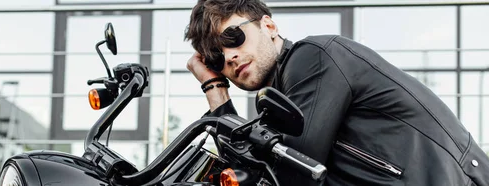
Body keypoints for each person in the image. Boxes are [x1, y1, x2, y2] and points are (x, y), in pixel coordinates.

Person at [184, 0, 489, 185]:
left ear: (269, 26)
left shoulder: (314, 57)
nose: (229, 57)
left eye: (233, 37)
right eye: (216, 58)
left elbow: (290, 176)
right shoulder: (278, 110)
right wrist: (215, 89)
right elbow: (250, 175)